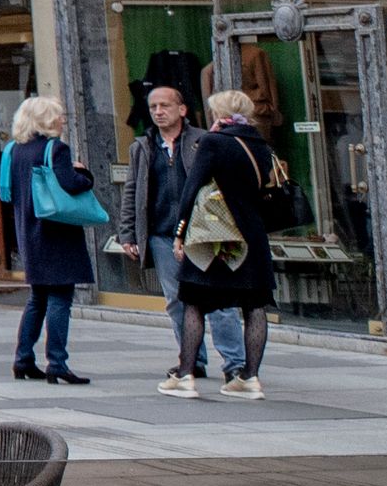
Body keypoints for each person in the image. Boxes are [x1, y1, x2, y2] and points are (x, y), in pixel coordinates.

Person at [171, 88, 288, 399]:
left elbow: (192, 188)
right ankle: (249, 378)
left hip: (216, 236)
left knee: (194, 301)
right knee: (254, 305)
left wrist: (180, 231)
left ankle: (185, 376)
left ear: (219, 112)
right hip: (252, 236)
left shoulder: (213, 142)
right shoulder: (260, 143)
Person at [109, 80, 209, 391]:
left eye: (165, 105)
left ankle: (235, 364)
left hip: (202, 232)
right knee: (176, 300)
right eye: (153, 107)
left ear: (182, 109)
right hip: (162, 234)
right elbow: (132, 192)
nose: (158, 111)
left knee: (218, 300)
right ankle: (192, 359)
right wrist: (128, 233)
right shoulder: (143, 147)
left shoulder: (202, 141)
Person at [0, 91, 96, 385]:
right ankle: (57, 363)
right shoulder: (55, 149)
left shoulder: (13, 150)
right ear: (46, 120)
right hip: (56, 232)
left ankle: (23, 359)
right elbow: (71, 184)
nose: (63, 120)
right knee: (60, 298)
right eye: (59, 115)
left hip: (28, 230)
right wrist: (85, 174)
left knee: (37, 298)